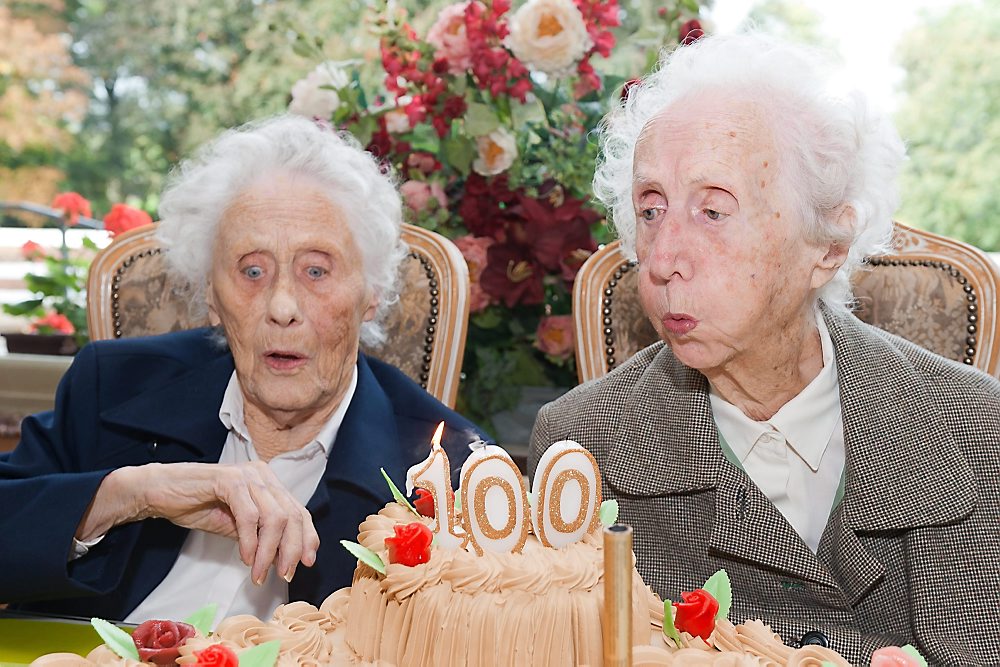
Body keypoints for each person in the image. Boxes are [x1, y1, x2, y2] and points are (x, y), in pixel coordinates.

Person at [529, 33, 1000, 664]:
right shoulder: (583, 444)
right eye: (651, 209)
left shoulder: (976, 427)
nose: (662, 259)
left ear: (827, 246)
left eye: (713, 212)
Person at [0, 115, 485, 624]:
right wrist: (127, 495)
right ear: (211, 294)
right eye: (252, 271)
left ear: (371, 293)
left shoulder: (447, 474)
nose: (282, 307)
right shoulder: (113, 388)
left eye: (316, 270)